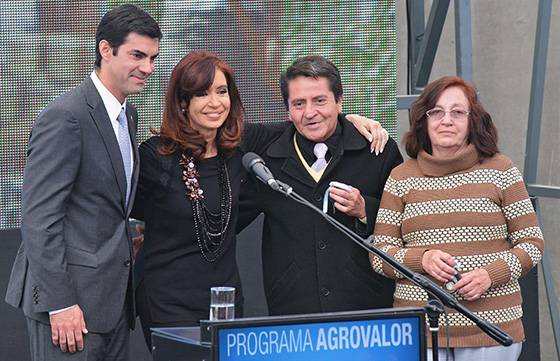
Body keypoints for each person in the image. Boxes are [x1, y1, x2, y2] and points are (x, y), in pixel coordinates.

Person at [131, 50, 387, 348]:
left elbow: (306, 122)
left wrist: (352, 120)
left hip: (224, 300)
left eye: (222, 91)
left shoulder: (243, 145)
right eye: (201, 94)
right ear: (183, 102)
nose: (215, 103)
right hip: (168, 300)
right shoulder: (155, 156)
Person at [4, 4, 161, 360]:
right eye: (137, 55)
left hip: (113, 306)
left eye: (152, 58)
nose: (147, 68)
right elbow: (39, 219)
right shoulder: (65, 117)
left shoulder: (128, 114)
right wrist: (60, 304)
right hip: (69, 311)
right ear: (105, 49)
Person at [369, 76, 545, 361]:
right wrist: (421, 259)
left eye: (457, 112)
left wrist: (490, 275)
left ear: (473, 120)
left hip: (491, 330)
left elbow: (532, 243)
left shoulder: (501, 170)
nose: (446, 120)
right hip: (420, 331)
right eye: (436, 111)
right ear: (423, 121)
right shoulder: (401, 177)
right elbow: (379, 255)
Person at [238, 55, 403, 316]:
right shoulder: (268, 158)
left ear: (339, 101)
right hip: (293, 311)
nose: (310, 113)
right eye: (299, 104)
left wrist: (364, 210)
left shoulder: (377, 149)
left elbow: (406, 220)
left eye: (320, 101)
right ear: (287, 111)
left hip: (367, 311)